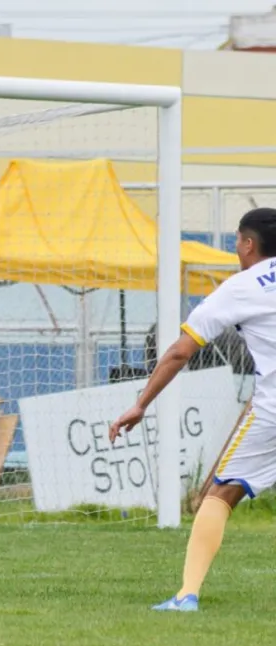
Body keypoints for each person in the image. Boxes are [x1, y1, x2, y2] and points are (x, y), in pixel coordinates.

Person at [109, 207, 276, 612]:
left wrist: (140, 404)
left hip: (273, 411)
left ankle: (186, 595)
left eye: (236, 241)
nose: (235, 248)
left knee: (219, 494)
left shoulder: (240, 287)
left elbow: (181, 350)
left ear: (249, 244)